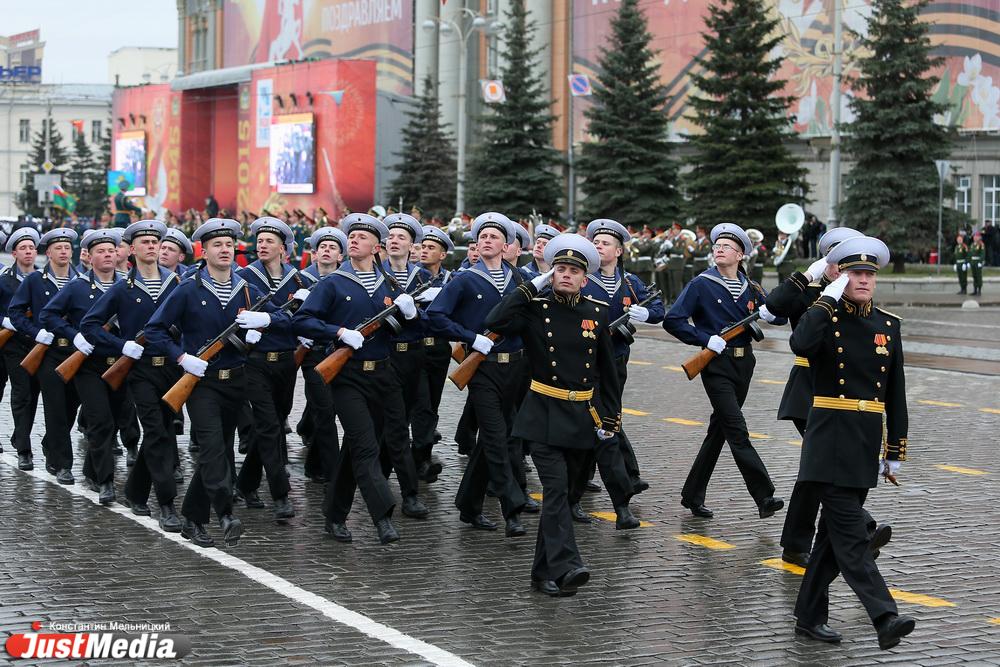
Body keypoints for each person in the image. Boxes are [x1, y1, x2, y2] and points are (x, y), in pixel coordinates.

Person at [790, 236, 915, 651]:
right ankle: (885, 616)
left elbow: (895, 392)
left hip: (863, 442)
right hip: (828, 440)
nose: (862, 279)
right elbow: (800, 344)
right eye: (854, 273)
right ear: (840, 277)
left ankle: (808, 618)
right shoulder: (824, 317)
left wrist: (894, 450)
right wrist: (824, 300)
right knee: (850, 536)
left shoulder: (887, 325)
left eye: (868, 274)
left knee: (829, 540)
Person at [485, 233, 620, 597]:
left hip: (582, 417)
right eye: (559, 268)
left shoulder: (596, 312)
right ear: (550, 273)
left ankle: (541, 572)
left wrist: (611, 420)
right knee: (555, 491)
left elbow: (609, 373)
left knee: (566, 495)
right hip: (543, 415)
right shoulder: (535, 309)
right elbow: (495, 320)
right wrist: (530, 288)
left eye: (573, 271)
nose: (565, 275)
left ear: (585, 278)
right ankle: (568, 565)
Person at [146, 218, 287, 548]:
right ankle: (224, 513)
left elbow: (287, 318)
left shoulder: (248, 288)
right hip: (202, 383)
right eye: (217, 245)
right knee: (212, 449)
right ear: (203, 250)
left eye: (229, 245)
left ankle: (192, 519)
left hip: (237, 382)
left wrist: (264, 320)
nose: (225, 250)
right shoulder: (188, 288)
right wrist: (181, 358)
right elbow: (155, 330)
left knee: (219, 452)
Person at [292, 213, 417, 545]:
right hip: (347, 377)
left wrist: (411, 314)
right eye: (353, 236)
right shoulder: (332, 283)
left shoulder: (390, 284)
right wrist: (339, 332)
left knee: (360, 447)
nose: (354, 240)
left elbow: (410, 331)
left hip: (384, 375)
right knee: (365, 447)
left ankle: (333, 514)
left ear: (376, 247)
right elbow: (302, 321)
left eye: (363, 237)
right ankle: (382, 517)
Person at [764, 227, 881, 567]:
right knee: (823, 468)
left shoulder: (856, 294)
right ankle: (857, 529)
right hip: (807, 391)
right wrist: (807, 275)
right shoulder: (810, 291)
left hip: (843, 394)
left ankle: (811, 541)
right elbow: (773, 306)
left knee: (819, 471)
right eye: (840, 263)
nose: (849, 273)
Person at [663, 223, 785, 519]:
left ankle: (692, 494)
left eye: (726, 247)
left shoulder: (752, 287)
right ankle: (763, 495)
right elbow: (673, 320)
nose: (718, 249)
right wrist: (705, 339)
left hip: (745, 364)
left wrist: (774, 312)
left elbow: (778, 316)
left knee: (719, 431)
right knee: (736, 429)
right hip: (716, 365)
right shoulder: (701, 284)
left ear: (741, 254)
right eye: (716, 246)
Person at [427, 212, 528, 536]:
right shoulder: (465, 279)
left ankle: (469, 505)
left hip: (516, 367)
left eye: (493, 237)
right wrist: (471, 338)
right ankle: (512, 508)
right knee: (497, 438)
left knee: (501, 438)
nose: (486, 241)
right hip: (482, 368)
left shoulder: (519, 280)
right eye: (482, 237)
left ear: (507, 245)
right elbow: (435, 316)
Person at [82, 220, 184, 531]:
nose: (152, 246)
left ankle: (135, 491)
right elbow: (89, 325)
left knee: (164, 430)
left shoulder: (176, 284)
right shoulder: (121, 289)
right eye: (145, 242)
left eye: (156, 241)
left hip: (172, 368)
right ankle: (167, 503)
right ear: (132, 250)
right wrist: (121, 344)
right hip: (139, 370)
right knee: (156, 432)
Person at [579, 219, 664, 517]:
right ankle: (623, 485)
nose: (599, 247)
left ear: (618, 251)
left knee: (606, 419)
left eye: (605, 243)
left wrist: (647, 313)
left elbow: (658, 309)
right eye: (596, 243)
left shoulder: (630, 283)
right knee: (600, 421)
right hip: (586, 362)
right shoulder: (583, 278)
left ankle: (584, 486)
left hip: (617, 360)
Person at [40, 229, 129, 504]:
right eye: (100, 251)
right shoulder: (77, 286)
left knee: (113, 422)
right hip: (88, 365)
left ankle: (92, 470)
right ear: (89, 257)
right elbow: (48, 314)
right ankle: (105, 481)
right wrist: (73, 334)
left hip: (121, 365)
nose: (107, 255)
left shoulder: (128, 286)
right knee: (99, 420)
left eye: (111, 251)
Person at [232, 216, 307, 521]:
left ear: (283, 249)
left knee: (274, 422)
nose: (262, 245)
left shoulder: (299, 280)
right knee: (269, 426)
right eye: (259, 241)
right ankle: (280, 494)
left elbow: (306, 319)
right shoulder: (244, 277)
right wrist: (281, 318)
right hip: (255, 361)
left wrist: (285, 319)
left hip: (287, 361)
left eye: (269, 242)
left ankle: (246, 484)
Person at [7, 228, 81, 484]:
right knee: (55, 406)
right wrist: (35, 332)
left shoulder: (82, 280)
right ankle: (62, 464)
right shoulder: (35, 281)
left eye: (67, 248)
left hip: (75, 352)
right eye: (58, 248)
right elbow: (16, 313)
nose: (63, 252)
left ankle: (51, 443)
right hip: (47, 352)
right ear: (48, 252)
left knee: (73, 405)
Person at [377, 212, 431, 519]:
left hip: (414, 356)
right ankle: (410, 493)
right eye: (391, 237)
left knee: (404, 420)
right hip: (385, 357)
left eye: (402, 237)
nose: (395, 241)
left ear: (413, 246)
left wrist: (416, 315)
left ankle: (378, 476)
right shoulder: (374, 274)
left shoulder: (422, 278)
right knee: (397, 426)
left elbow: (434, 321)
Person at [298, 226, 347, 483]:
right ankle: (331, 471)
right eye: (322, 248)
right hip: (312, 353)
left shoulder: (348, 280)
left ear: (341, 256)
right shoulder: (299, 280)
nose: (326, 252)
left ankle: (314, 464)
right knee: (325, 410)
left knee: (328, 411)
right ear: (314, 255)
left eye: (332, 248)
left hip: (340, 353)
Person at [409, 225, 454, 482]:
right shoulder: (411, 276)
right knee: (421, 404)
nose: (424, 251)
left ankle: (420, 457)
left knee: (431, 406)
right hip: (414, 347)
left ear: (443, 254)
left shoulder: (451, 280)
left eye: (431, 248)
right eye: (422, 247)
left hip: (438, 348)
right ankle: (420, 460)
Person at [1, 229, 43, 470]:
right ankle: (24, 449)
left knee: (34, 393)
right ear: (14, 253)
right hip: (13, 344)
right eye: (23, 248)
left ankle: (20, 434)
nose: (28, 252)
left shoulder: (42, 279)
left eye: (32, 248)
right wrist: (4, 321)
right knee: (21, 392)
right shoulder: (4, 279)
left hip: (39, 343)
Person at [969, 231, 985, 296]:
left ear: (979, 237)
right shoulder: (972, 244)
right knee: (974, 276)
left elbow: (982, 253)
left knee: (979, 276)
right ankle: (975, 290)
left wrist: (981, 261)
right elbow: (970, 254)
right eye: (974, 236)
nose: (975, 238)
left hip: (978, 261)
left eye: (976, 236)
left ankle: (979, 290)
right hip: (973, 262)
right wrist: (969, 261)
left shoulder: (981, 244)